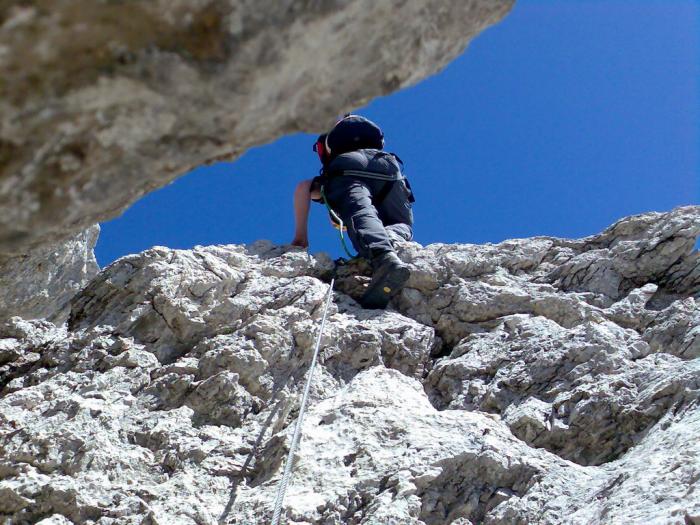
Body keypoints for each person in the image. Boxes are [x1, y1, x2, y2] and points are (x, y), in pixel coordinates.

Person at [291, 115, 415, 309]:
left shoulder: (331, 142)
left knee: (359, 211)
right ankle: (389, 237)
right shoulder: (362, 127)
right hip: (388, 166)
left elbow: (303, 188)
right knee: (401, 223)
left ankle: (384, 258)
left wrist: (300, 239)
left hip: (347, 166)